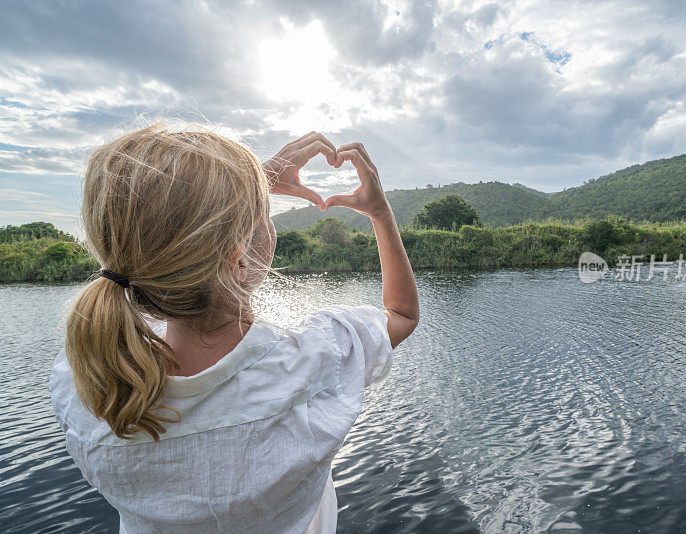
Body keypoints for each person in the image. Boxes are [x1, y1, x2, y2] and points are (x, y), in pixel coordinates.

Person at [49, 123, 419, 533]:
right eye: (260, 209)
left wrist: (238, 185)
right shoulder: (314, 364)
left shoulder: (85, 385)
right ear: (238, 257)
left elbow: (163, 244)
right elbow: (402, 314)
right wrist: (381, 213)